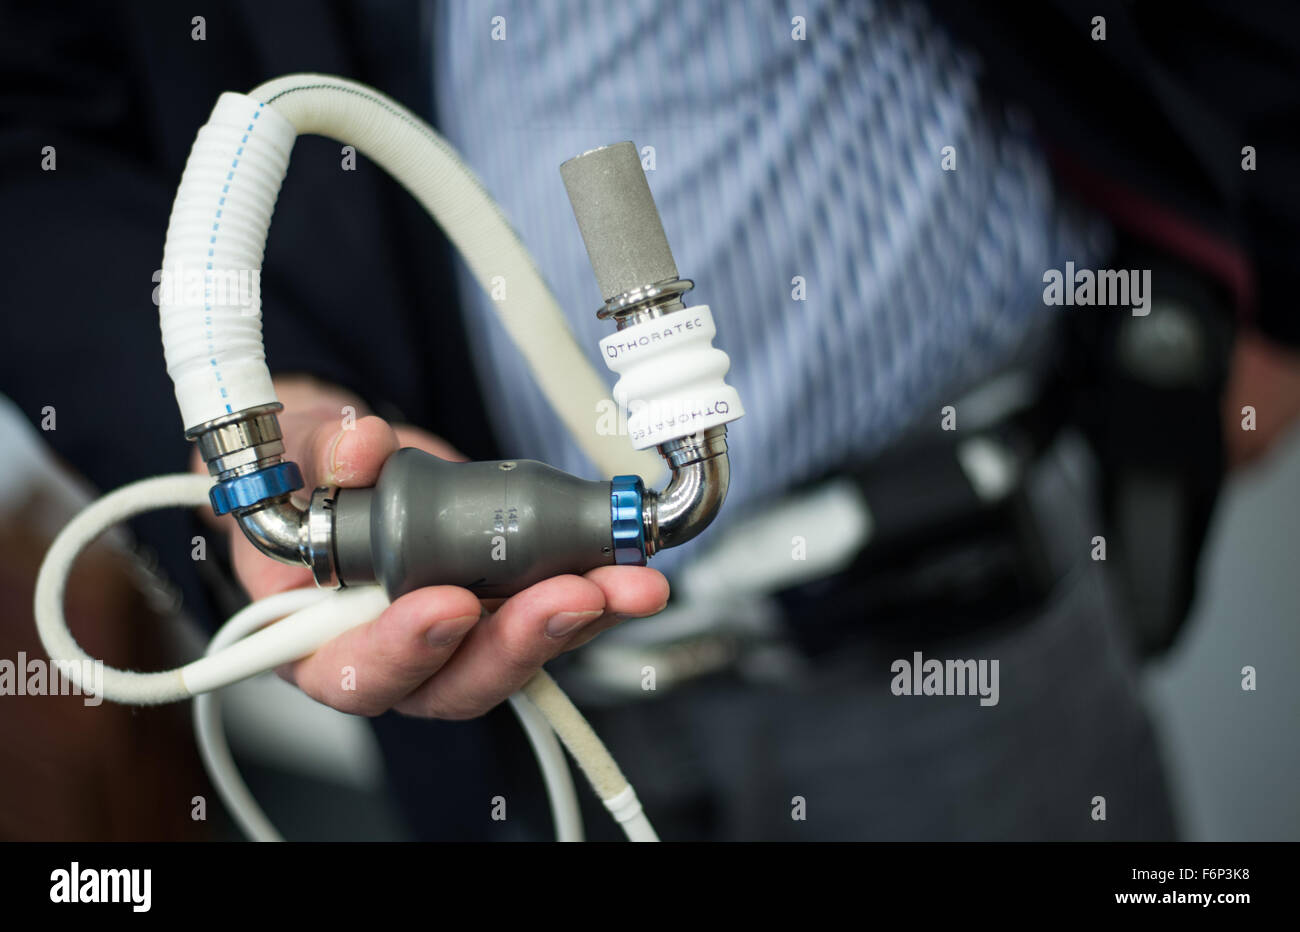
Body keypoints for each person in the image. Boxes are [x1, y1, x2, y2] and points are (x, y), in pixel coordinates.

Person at [3, 0, 1297, 840]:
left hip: (956, 619)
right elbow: (27, 138)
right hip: (488, 734)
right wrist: (261, 414)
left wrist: (1278, 285)